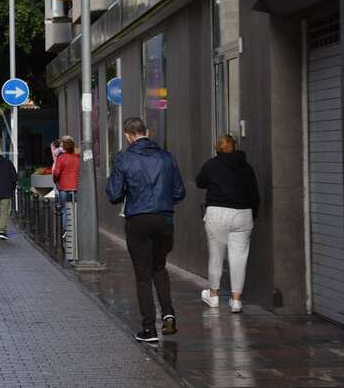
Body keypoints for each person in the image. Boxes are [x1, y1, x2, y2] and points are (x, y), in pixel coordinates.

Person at [106, 117, 186, 342]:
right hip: (164, 219)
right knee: (159, 267)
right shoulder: (166, 157)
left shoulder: (124, 159)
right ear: (147, 132)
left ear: (127, 135)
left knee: (143, 275)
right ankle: (168, 313)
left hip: (138, 220)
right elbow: (180, 192)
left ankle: (149, 329)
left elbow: (114, 195)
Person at [196, 134, 259, 314]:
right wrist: (253, 214)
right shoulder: (247, 167)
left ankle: (214, 296)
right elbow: (254, 194)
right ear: (235, 146)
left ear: (218, 147)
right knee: (239, 258)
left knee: (216, 255)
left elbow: (200, 182)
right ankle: (236, 300)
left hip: (217, 213)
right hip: (243, 213)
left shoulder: (211, 164)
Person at [53, 136, 80, 234]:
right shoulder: (77, 158)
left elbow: (56, 172)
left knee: (64, 209)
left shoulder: (61, 158)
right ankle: (75, 230)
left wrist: (55, 180)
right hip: (75, 187)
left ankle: (65, 231)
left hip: (63, 187)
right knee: (75, 208)